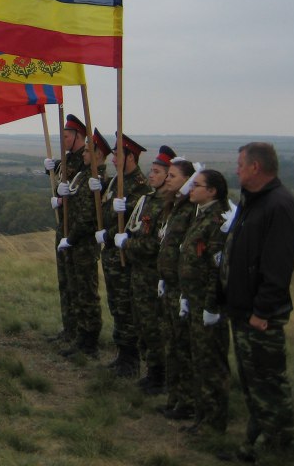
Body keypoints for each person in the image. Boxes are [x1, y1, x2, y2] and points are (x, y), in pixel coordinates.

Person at [219, 142, 294, 462]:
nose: (236, 169)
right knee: (253, 382)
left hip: (261, 315)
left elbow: (278, 266)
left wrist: (263, 310)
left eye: (240, 164)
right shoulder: (253, 202)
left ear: (256, 167)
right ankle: (255, 444)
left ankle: (279, 447)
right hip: (243, 310)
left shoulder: (279, 206)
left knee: (269, 382)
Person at [179, 169, 232, 435]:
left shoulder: (219, 220)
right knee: (199, 360)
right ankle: (203, 417)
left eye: (197, 186)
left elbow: (216, 268)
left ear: (212, 191)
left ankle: (214, 422)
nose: (192, 189)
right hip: (196, 299)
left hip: (209, 304)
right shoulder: (203, 215)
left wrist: (212, 305)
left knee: (211, 363)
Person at [120, 144, 176, 394]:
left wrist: (128, 245)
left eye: (156, 171)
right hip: (139, 273)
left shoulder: (167, 204)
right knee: (142, 324)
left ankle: (159, 377)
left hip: (153, 274)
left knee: (155, 327)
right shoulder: (150, 199)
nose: (151, 175)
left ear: (167, 175)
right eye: (151, 170)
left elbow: (155, 243)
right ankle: (151, 372)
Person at [96, 132, 151, 378]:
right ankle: (122, 354)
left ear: (131, 156)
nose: (114, 160)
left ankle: (131, 361)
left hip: (125, 259)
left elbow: (132, 223)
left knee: (127, 308)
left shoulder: (140, 187)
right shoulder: (114, 182)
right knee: (117, 306)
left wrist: (108, 234)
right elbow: (107, 212)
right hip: (111, 258)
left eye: (118, 155)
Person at [56, 119, 105, 360]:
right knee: (71, 285)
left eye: (88, 149)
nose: (84, 152)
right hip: (71, 235)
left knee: (86, 290)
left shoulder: (96, 177)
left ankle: (88, 339)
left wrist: (72, 237)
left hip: (82, 241)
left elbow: (88, 214)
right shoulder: (83, 172)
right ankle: (74, 331)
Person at [155, 157, 197, 420]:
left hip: (181, 289)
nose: (167, 179)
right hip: (169, 285)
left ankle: (188, 402)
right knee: (171, 344)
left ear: (187, 181)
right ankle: (175, 398)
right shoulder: (174, 207)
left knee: (183, 346)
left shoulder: (191, 209)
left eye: (172, 176)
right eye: (166, 174)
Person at [45, 114, 87, 344]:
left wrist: (63, 200)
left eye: (66, 136)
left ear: (78, 136)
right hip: (64, 225)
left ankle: (82, 333)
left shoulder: (85, 161)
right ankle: (69, 328)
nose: (63, 140)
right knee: (65, 282)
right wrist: (49, 168)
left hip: (77, 229)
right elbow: (62, 176)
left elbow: (78, 188)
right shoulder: (68, 159)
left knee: (78, 283)